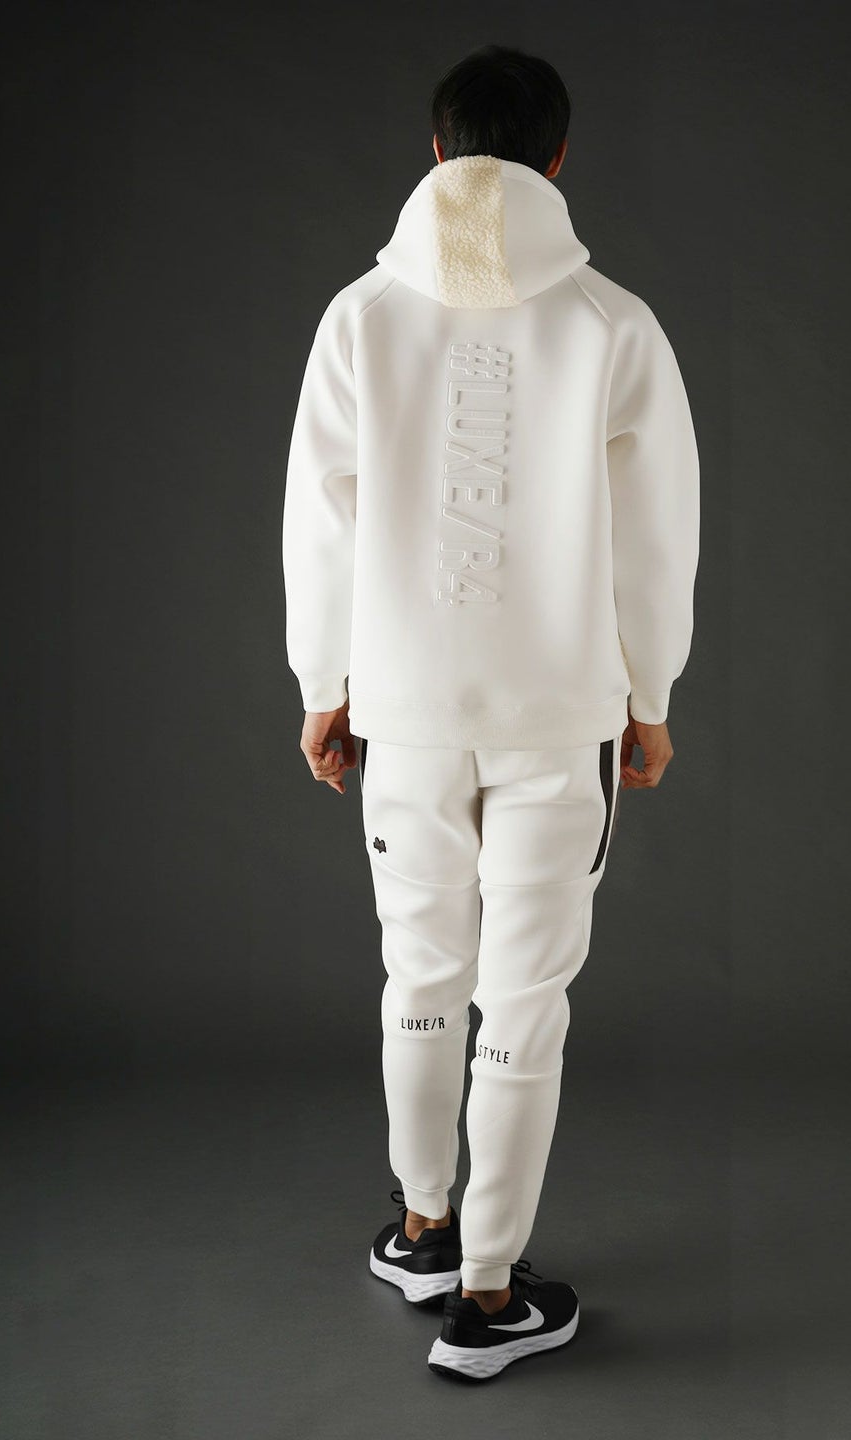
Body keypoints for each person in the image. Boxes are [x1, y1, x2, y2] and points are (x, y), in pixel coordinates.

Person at [281, 43, 700, 1382]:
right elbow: (657, 535)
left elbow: (320, 522)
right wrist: (649, 697)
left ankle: (423, 1228)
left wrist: (325, 686)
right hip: (558, 712)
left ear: (437, 150)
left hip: (404, 709)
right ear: (558, 161)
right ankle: (488, 1292)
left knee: (421, 975)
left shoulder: (361, 317)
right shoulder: (613, 324)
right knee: (524, 999)